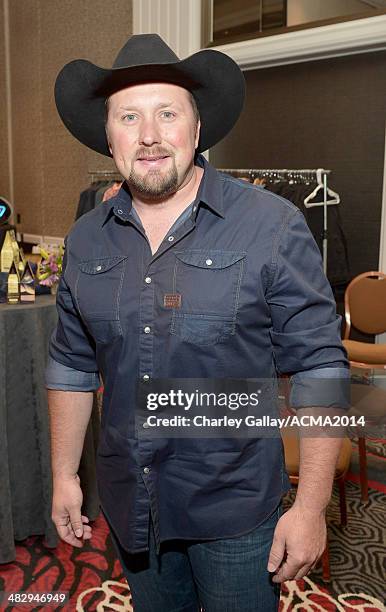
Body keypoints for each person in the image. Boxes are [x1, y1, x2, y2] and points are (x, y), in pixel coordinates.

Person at [46, 33, 349, 611]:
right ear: (109, 136)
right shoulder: (86, 238)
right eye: (129, 116)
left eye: (168, 113)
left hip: (234, 511)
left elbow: (320, 368)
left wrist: (310, 507)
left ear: (197, 128)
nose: (150, 134)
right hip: (130, 499)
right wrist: (65, 473)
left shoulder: (271, 225)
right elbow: (71, 363)